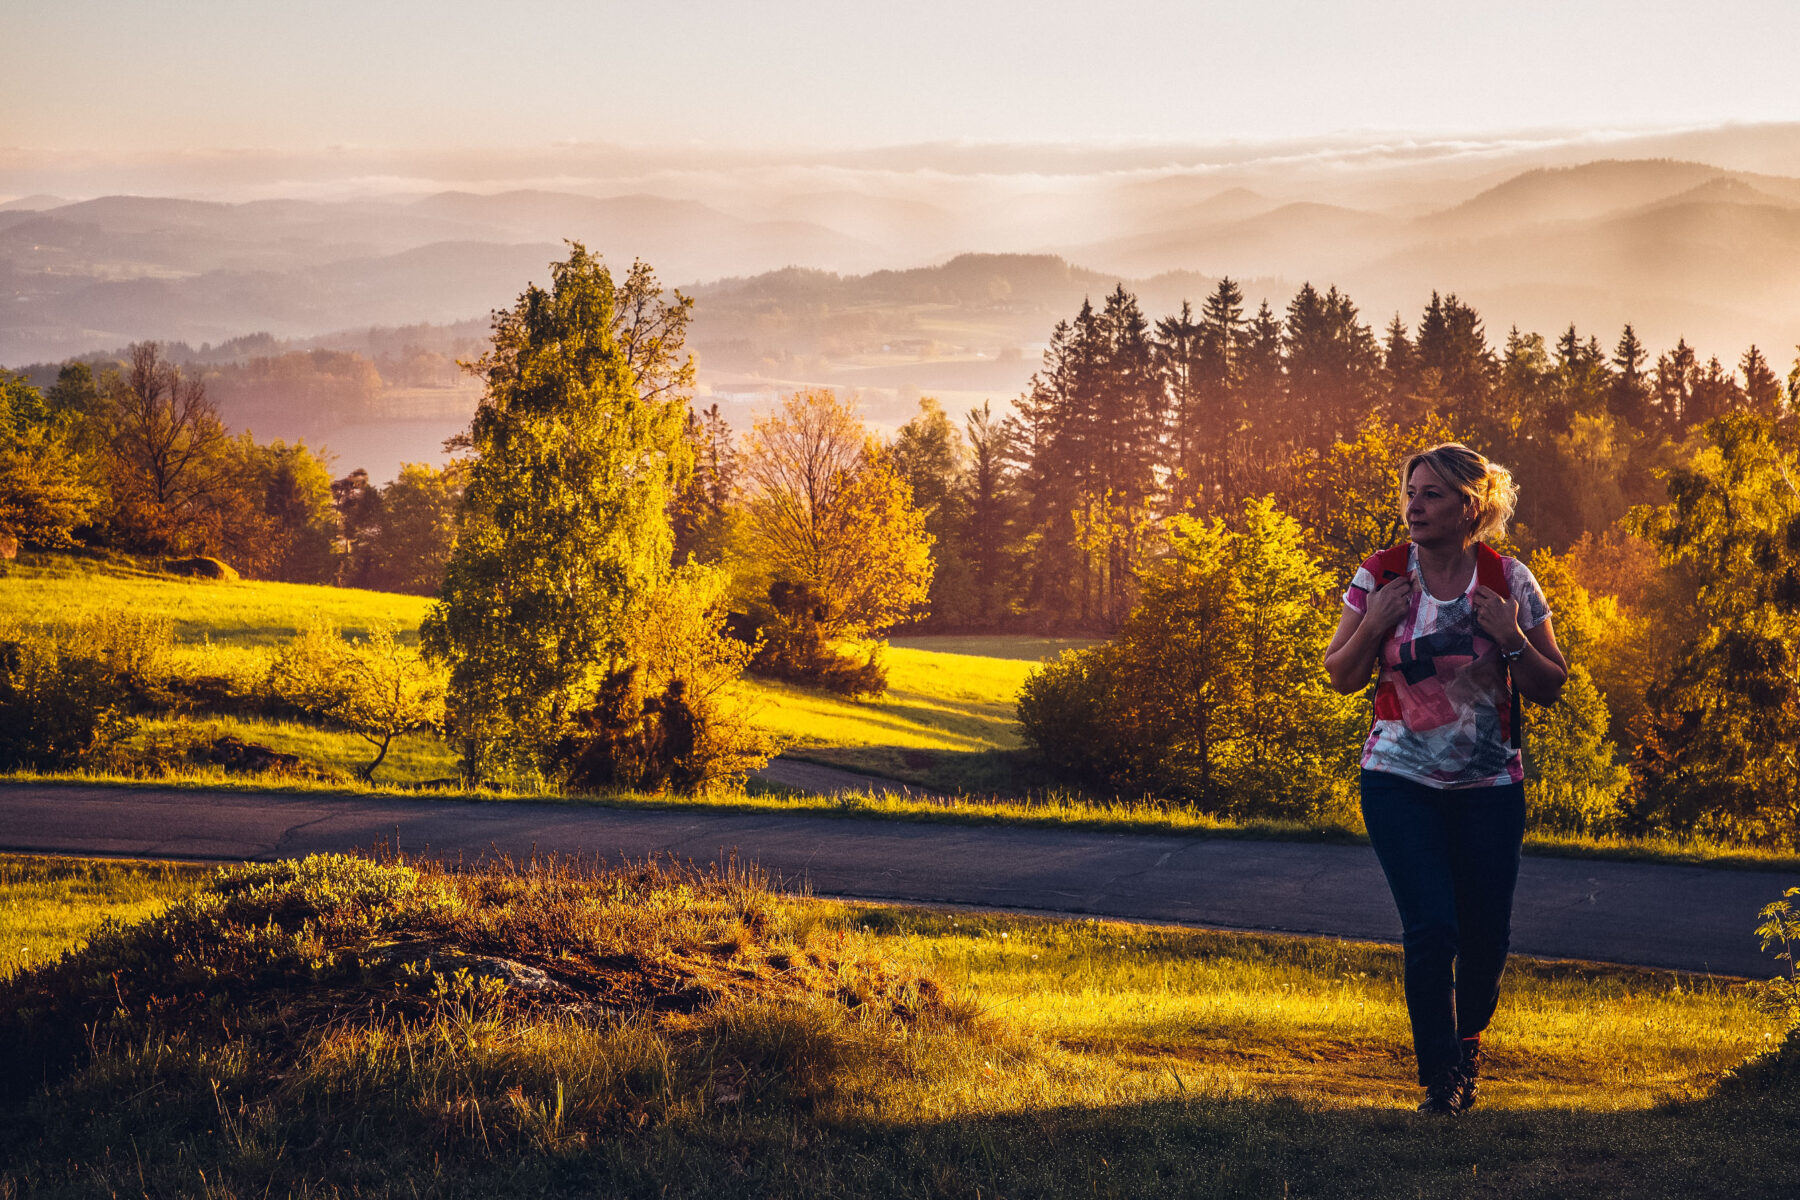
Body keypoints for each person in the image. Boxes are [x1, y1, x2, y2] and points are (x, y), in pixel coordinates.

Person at [1323, 443, 1567, 1116]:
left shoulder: (1508, 581)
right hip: (1398, 778)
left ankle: (1466, 1046)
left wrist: (1511, 636)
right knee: (1432, 927)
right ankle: (1441, 1081)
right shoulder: (1379, 575)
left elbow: (1551, 685)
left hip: (1490, 788)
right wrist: (1374, 623)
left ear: (1470, 506)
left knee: (1486, 939)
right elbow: (1341, 676)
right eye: (1410, 493)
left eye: (1430, 495)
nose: (1414, 507)